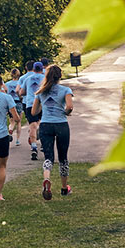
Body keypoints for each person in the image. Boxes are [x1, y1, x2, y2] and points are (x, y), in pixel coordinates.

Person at [31, 65, 74, 200]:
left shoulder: (41, 91)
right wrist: (65, 112)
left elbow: (34, 112)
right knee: (63, 158)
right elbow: (69, 106)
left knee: (48, 157)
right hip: (61, 124)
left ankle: (47, 179)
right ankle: (64, 188)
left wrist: (44, 107)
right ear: (60, 76)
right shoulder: (65, 90)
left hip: (45, 125)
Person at [19, 62, 46, 160]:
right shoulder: (45, 78)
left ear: (33, 69)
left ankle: (34, 147)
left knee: (32, 126)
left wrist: (29, 91)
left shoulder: (27, 79)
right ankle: (43, 144)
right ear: (42, 68)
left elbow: (21, 92)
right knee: (42, 123)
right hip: (42, 104)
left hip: (30, 103)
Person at [4, 68, 23, 144]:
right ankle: (17, 140)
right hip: (18, 102)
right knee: (18, 121)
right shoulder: (20, 83)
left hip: (10, 103)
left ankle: (10, 130)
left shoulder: (7, 84)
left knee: (12, 121)